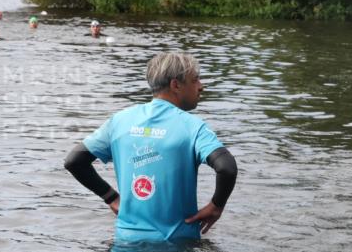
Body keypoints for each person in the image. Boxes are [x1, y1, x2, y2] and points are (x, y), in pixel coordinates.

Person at [64, 52, 238, 241]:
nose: (201, 86)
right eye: (195, 80)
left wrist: (111, 197)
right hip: (177, 245)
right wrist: (216, 206)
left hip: (126, 242)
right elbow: (226, 168)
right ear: (176, 85)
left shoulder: (120, 121)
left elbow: (74, 161)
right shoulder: (193, 127)